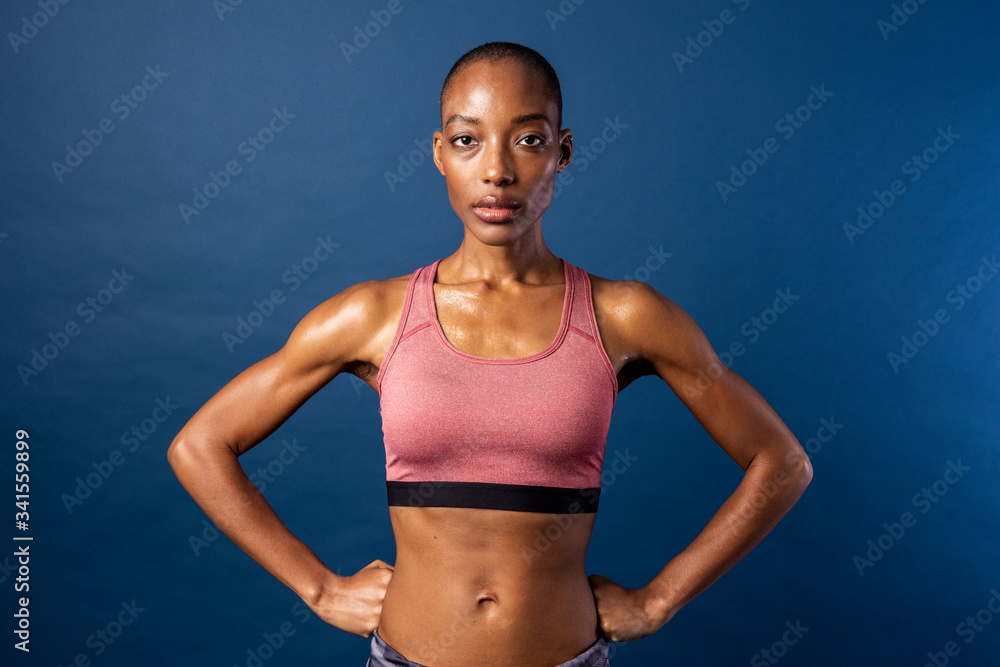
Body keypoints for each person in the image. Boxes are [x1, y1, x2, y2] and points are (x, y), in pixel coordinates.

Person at [168, 41, 812, 667]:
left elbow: (782, 462)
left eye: (528, 140)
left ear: (563, 153)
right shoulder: (376, 316)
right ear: (440, 154)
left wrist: (660, 600)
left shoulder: (622, 315)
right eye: (468, 139)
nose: (497, 170)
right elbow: (199, 446)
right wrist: (318, 586)